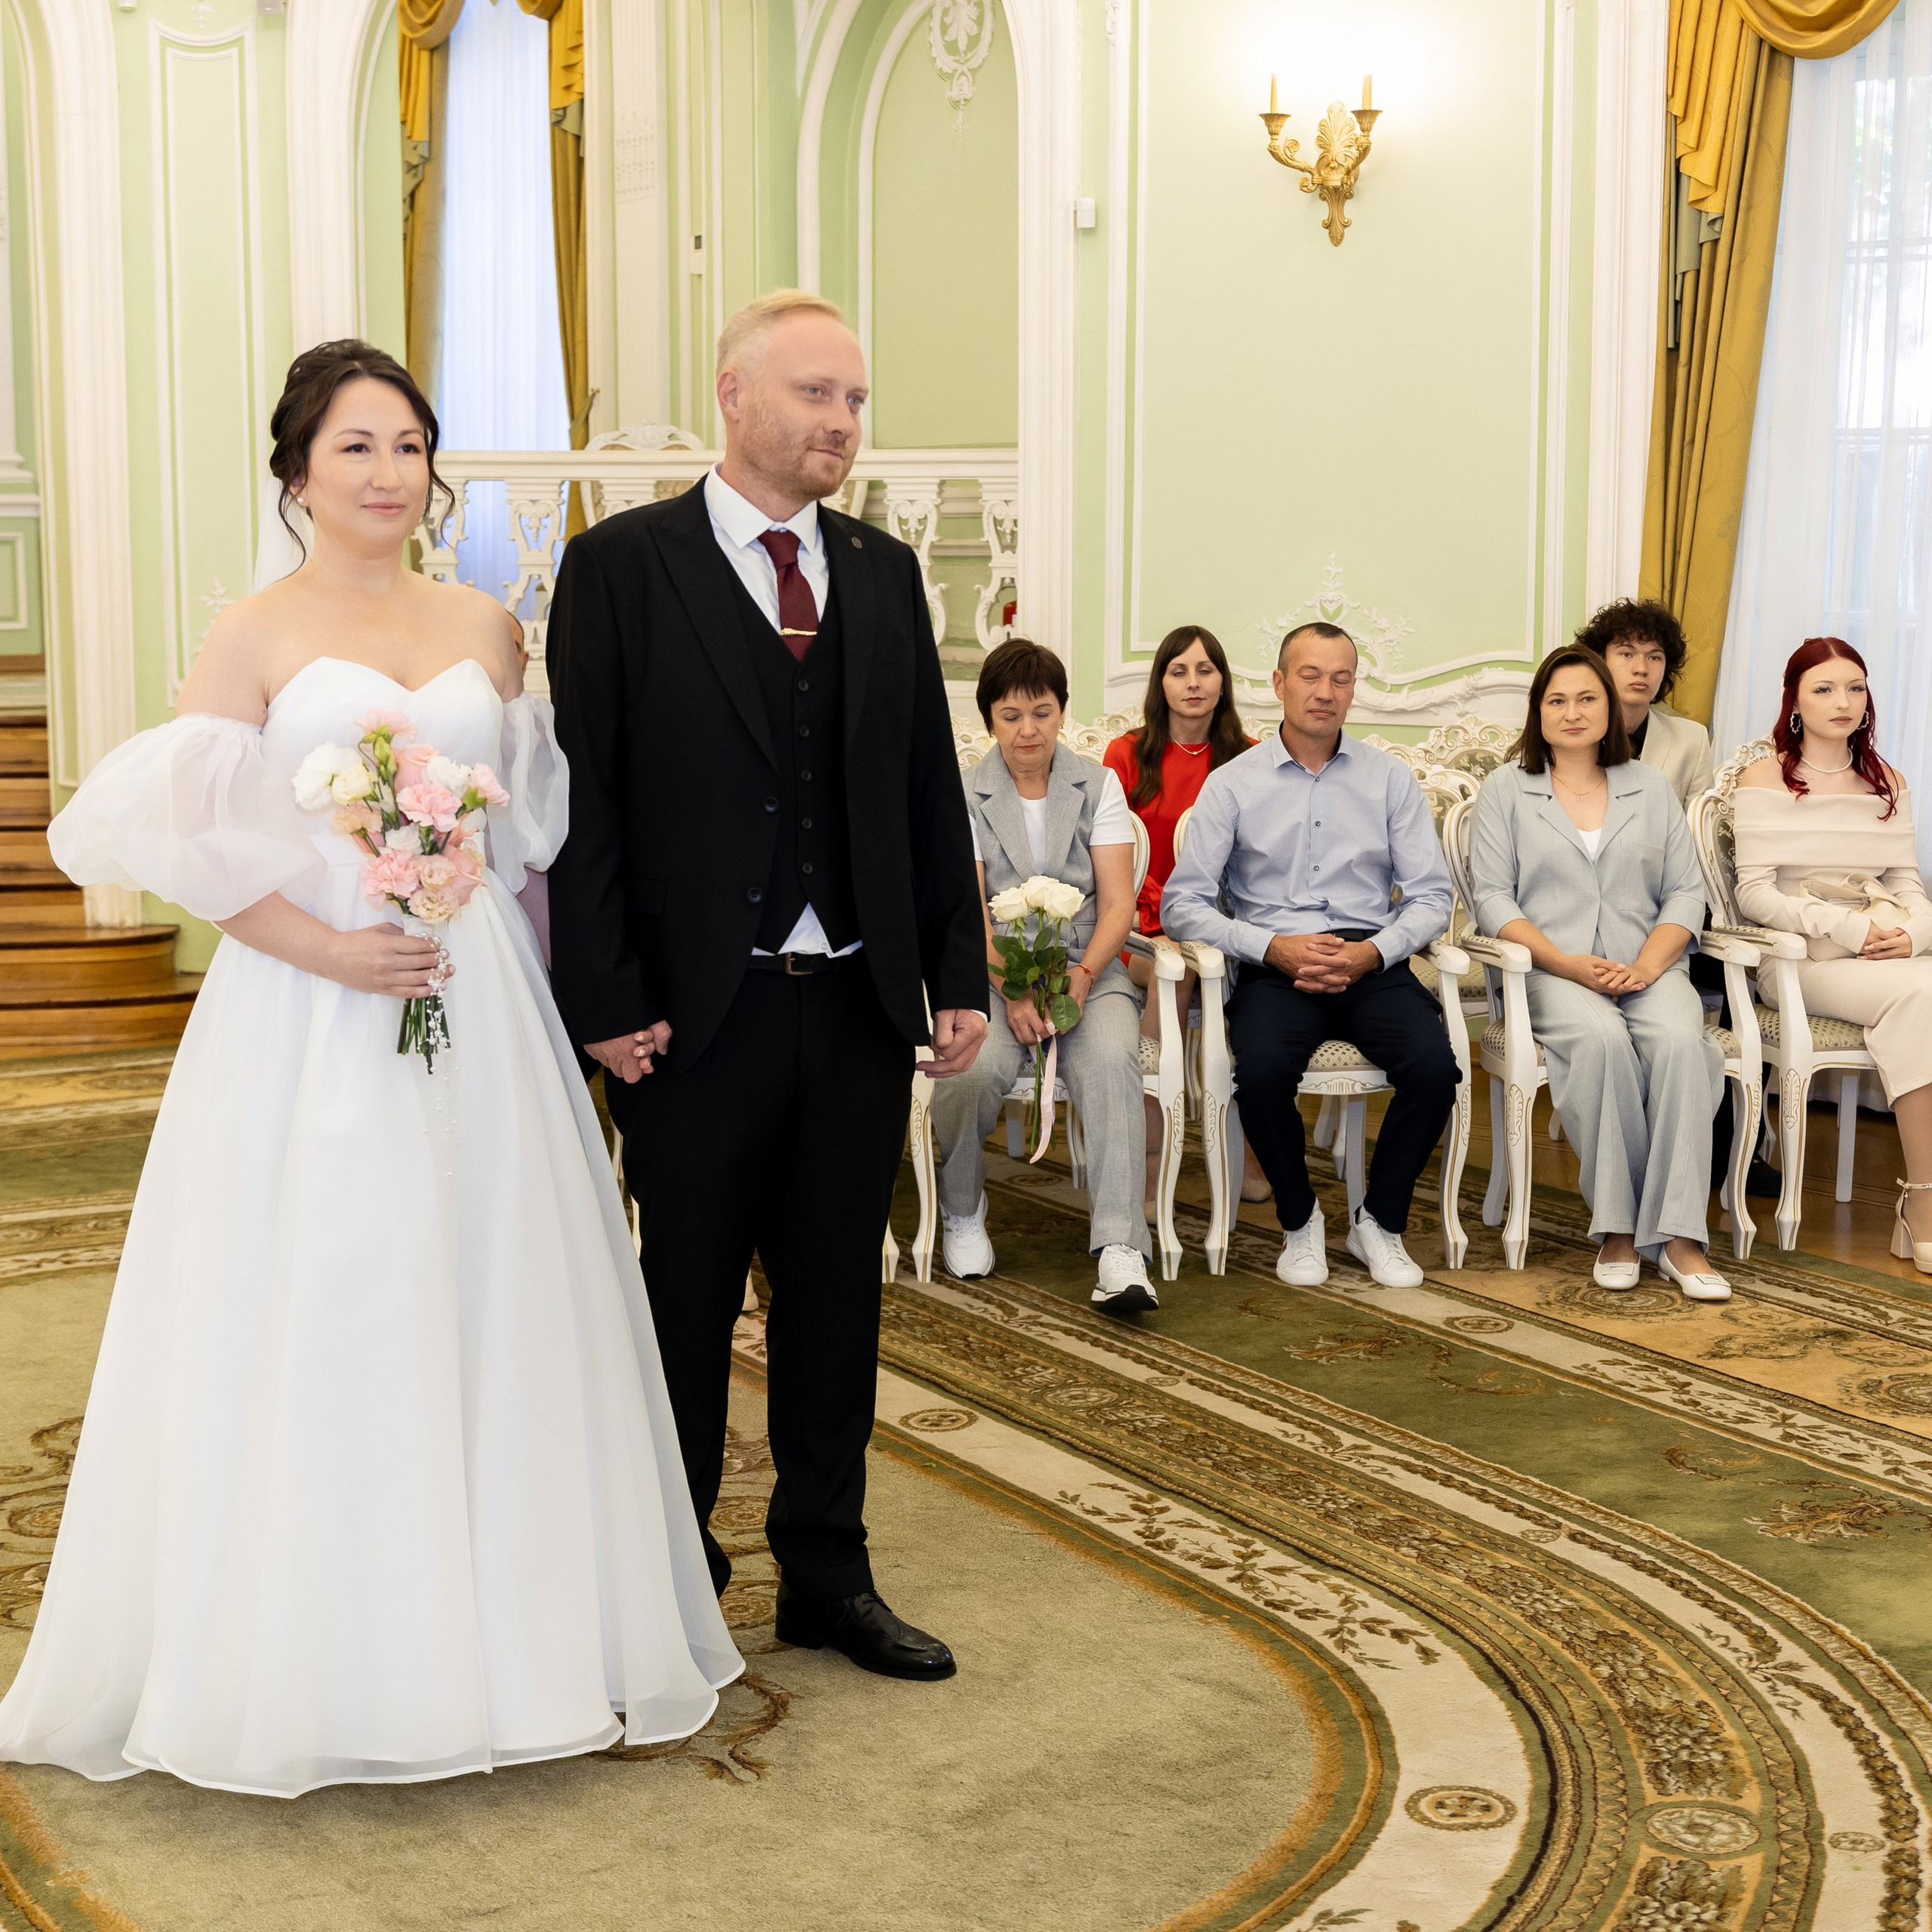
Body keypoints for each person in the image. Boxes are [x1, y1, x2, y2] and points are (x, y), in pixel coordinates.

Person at [0, 342, 740, 1796]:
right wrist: (332, 950)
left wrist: (566, 986)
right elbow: (196, 847)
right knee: (333, 1285)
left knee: (495, 1286)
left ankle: (516, 1641)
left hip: (479, 1001)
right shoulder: (253, 634)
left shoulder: (487, 624)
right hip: (308, 1010)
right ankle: (322, 1653)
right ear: (297, 472)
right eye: (355, 446)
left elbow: (530, 842)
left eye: (408, 446)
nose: (388, 473)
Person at [546, 291, 988, 1684]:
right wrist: (603, 1000)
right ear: (734, 395)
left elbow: (925, 789)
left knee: (835, 1305)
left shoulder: (883, 573)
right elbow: (586, 806)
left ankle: (827, 1574)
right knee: (680, 1303)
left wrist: (954, 969)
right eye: (816, 395)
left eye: (855, 401)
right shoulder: (621, 568)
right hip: (691, 1019)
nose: (842, 423)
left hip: (853, 1008)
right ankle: (670, 1576)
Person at [1161, 621, 1460, 1289]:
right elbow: (1183, 904)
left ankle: (1378, 1221)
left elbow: (1431, 897)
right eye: (1310, 675)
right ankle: (1300, 1220)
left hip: (1370, 961)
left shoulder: (1389, 779)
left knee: (1435, 1068)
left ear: (1354, 690)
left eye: (1340, 678)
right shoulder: (1233, 784)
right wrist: (1270, 947)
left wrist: (1374, 952)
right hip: (1275, 964)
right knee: (1263, 1071)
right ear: (1279, 684)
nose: (1325, 692)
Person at [1467, 646, 1729, 1301]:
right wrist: (1562, 963)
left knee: (1682, 1044)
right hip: (1551, 969)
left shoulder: (1651, 787)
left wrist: (1648, 965)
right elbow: (1492, 897)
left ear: (1609, 709)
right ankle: (1619, 1228)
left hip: (1647, 965)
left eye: (1587, 698)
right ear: (1538, 712)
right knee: (1604, 1042)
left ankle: (1680, 1238)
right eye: (1556, 700)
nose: (1572, 712)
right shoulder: (1507, 789)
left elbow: (1685, 892)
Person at [936, 639, 1155, 1312]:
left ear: (1062, 711)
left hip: (1089, 965)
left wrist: (1084, 976)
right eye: (1010, 716)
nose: (1027, 730)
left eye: (1042, 712)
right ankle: (962, 1209)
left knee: (1112, 1061)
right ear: (989, 720)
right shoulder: (964, 791)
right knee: (971, 1069)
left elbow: (1116, 904)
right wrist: (1012, 989)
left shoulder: (1098, 784)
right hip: (992, 970)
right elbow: (968, 912)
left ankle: (1120, 1248)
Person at [1734, 638, 1932, 1274]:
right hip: (1800, 960)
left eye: (1855, 687)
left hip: (1883, 947)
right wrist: (1845, 928)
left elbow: (1906, 883)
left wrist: (1916, 934)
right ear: (1794, 702)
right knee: (1922, 995)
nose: (1843, 701)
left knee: (1920, 991)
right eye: (1823, 689)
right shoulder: (1764, 778)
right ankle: (1924, 1201)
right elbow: (1754, 893)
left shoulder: (1887, 780)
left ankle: (1920, 1201)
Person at [1102, 626, 1268, 1205]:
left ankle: (1249, 1143)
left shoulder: (1251, 757)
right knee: (1180, 964)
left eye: (1205, 670)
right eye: (1179, 671)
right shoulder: (1127, 754)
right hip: (1144, 928)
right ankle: (1150, 1144)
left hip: (1228, 926)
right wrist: (1162, 914)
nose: (1193, 683)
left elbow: (1262, 861)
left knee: (1256, 986)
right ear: (1161, 683)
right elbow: (1111, 856)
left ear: (1222, 683)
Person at [1577, 598, 1715, 806]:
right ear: (1600, 661)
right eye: (1627, 654)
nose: (1641, 669)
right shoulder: (1573, 730)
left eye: (1654, 657)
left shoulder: (1692, 740)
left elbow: (1698, 823)